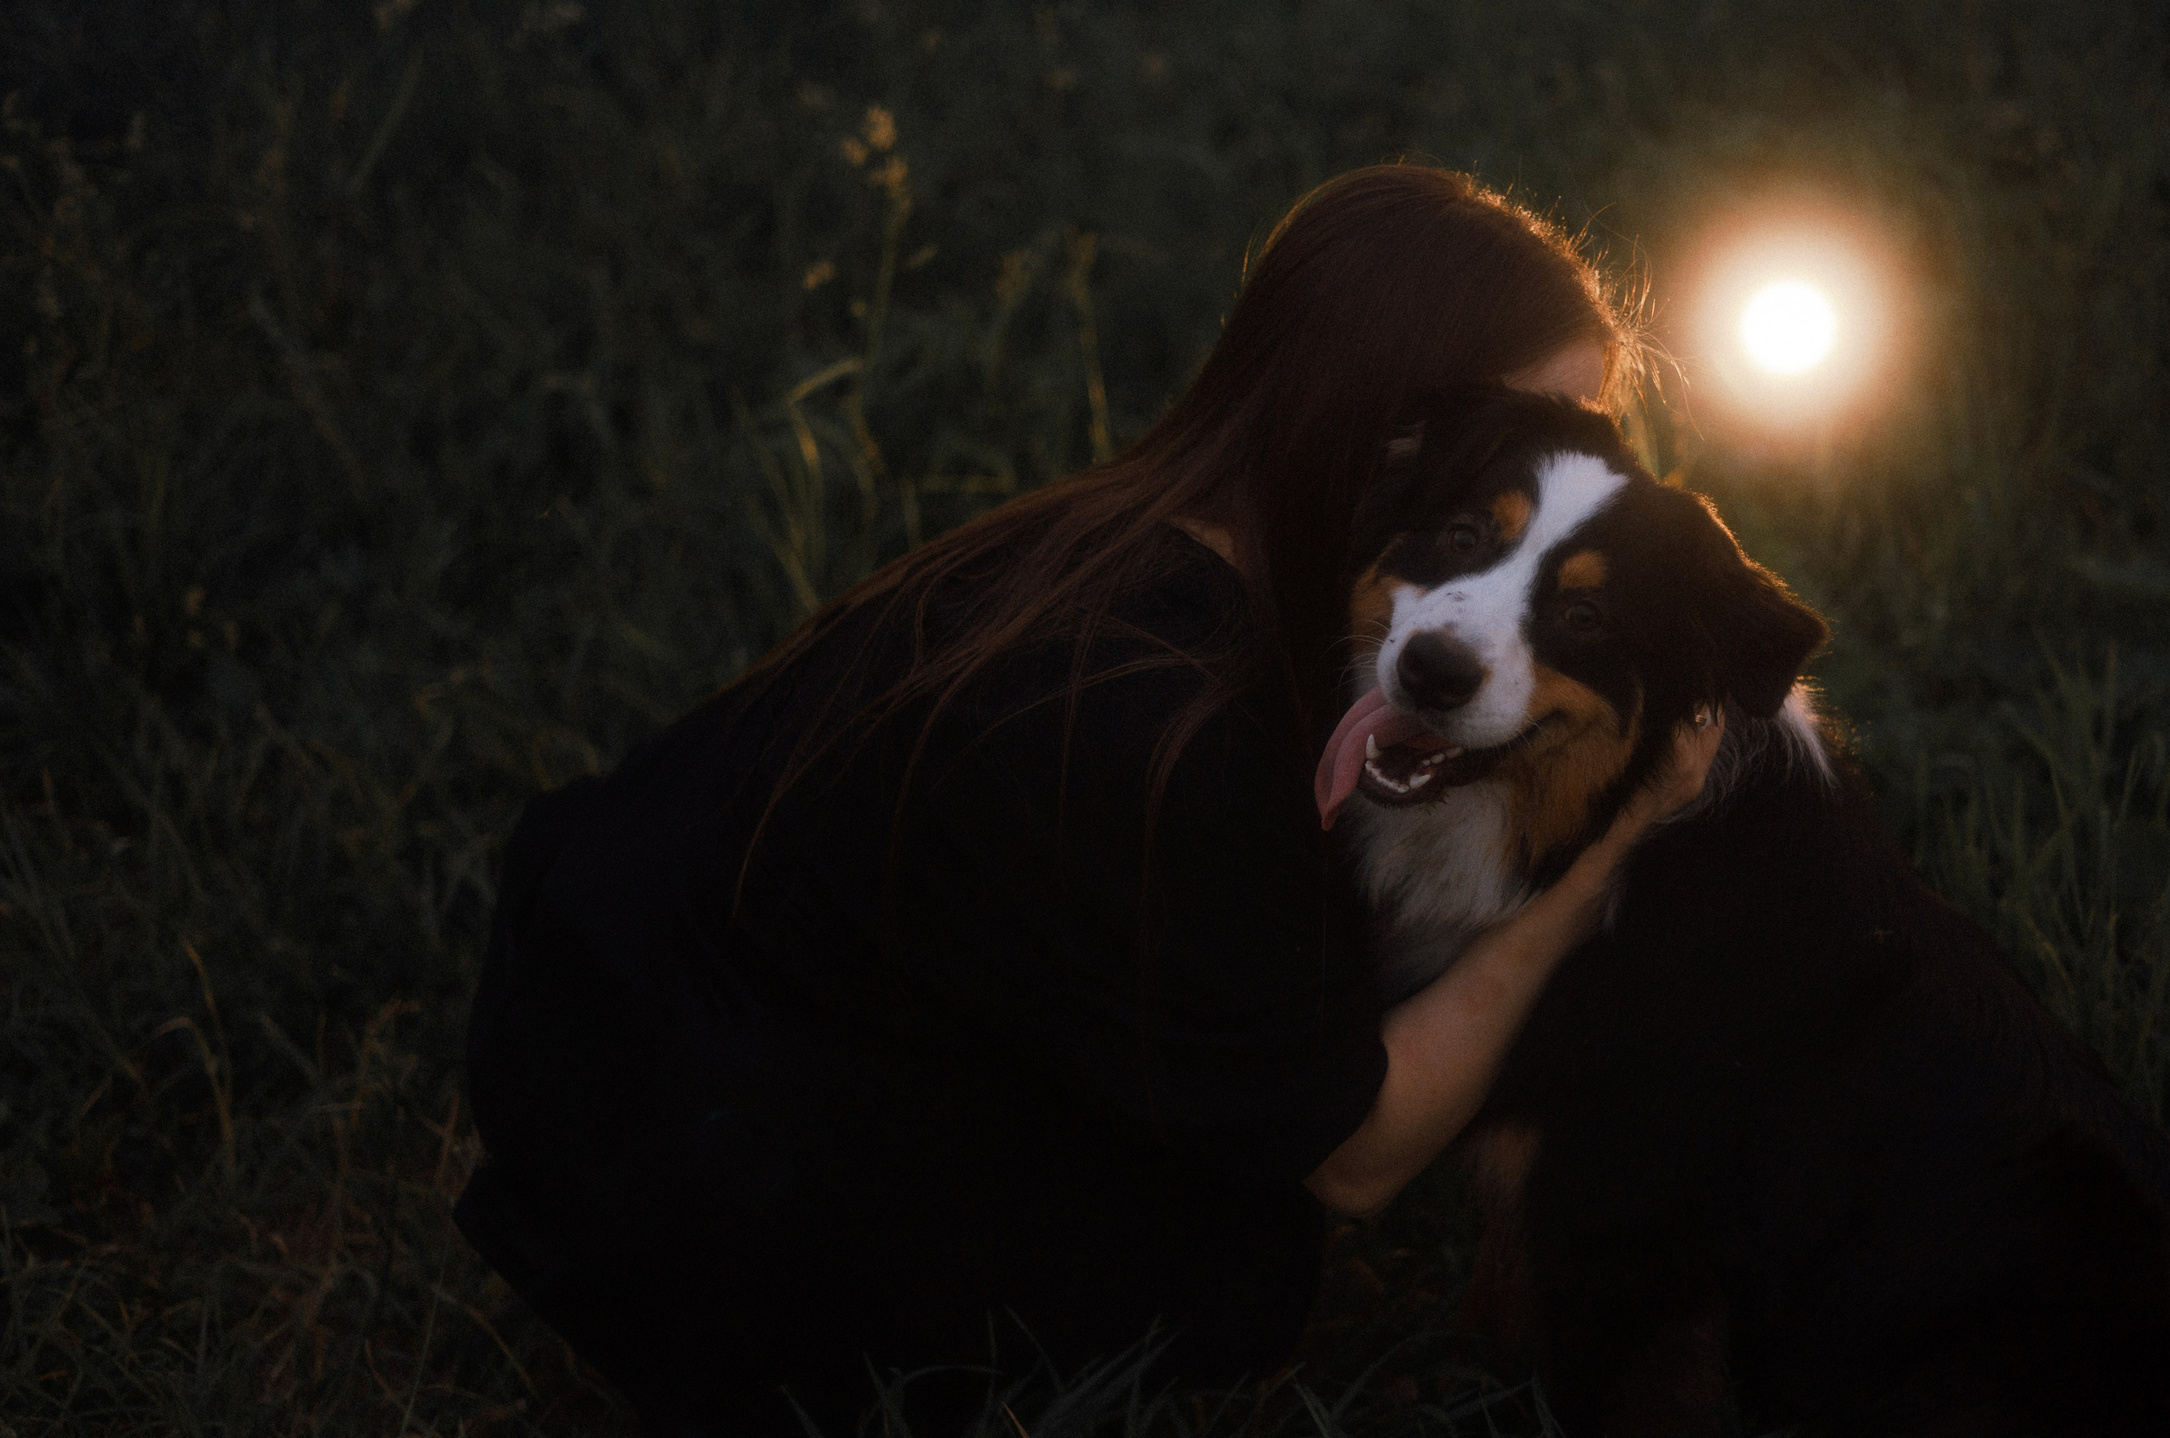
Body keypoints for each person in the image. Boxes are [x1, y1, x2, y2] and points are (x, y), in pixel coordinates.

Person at [453, 164, 1722, 1436]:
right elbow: (1361, 1152)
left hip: (599, 1024)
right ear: (1391, 421)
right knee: (1226, 1269)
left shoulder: (1108, 537)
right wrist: (1606, 851)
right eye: (1553, 429)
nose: (1583, 475)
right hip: (700, 1226)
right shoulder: (1165, 735)